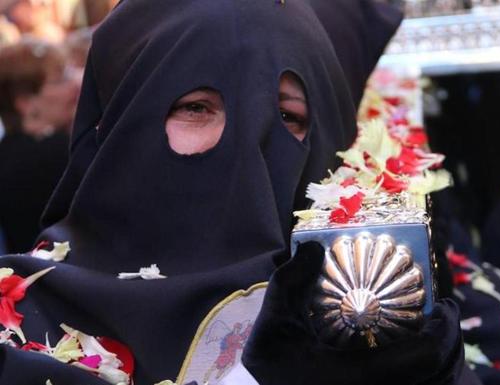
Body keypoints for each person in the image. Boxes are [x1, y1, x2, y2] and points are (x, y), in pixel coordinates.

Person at [0, 1, 467, 384]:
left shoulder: (360, 299)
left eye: (288, 117)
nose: (247, 146)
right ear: (125, 120)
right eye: (197, 107)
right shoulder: (18, 322)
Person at [0, 38, 79, 253]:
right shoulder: (56, 153)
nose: (76, 83)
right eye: (61, 78)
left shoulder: (8, 152)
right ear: (26, 102)